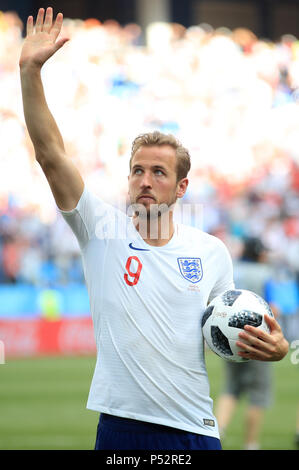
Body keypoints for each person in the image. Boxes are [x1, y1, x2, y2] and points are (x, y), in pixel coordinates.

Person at [19, 7, 289, 451]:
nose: (145, 180)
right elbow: (50, 155)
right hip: (122, 429)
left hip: (194, 432)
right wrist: (30, 70)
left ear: (182, 186)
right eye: (137, 170)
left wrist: (274, 348)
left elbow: (229, 332)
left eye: (159, 173)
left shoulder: (211, 252)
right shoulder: (100, 230)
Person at [215, 237, 275, 450]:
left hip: (227, 336)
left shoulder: (234, 268)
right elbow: (272, 309)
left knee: (231, 388)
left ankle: (217, 430)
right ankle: (251, 444)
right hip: (257, 339)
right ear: (258, 252)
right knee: (258, 394)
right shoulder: (265, 273)